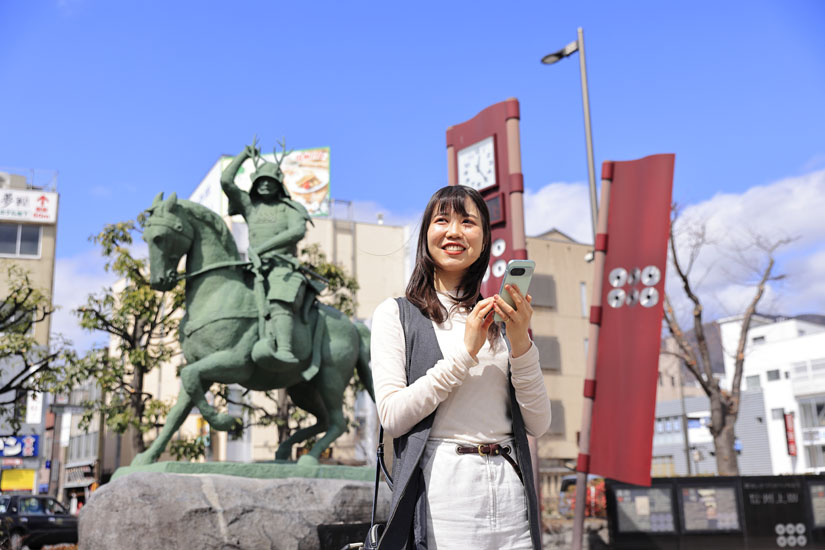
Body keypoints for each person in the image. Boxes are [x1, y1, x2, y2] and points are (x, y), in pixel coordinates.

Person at [370, 185, 552, 549]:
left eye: (468, 222)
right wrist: (464, 354)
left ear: (483, 241)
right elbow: (392, 416)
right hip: (445, 490)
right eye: (442, 221)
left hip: (511, 486)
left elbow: (538, 422)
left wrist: (521, 342)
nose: (454, 231)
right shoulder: (396, 314)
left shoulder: (500, 318)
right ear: (426, 235)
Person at [221, 144, 318, 366]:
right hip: (254, 268)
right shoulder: (250, 206)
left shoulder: (290, 208)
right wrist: (243, 155)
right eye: (261, 181)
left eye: (270, 181)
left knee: (278, 301)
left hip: (284, 268)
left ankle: (284, 350)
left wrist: (264, 248)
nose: (265, 184)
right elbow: (226, 181)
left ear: (279, 183)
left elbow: (297, 231)